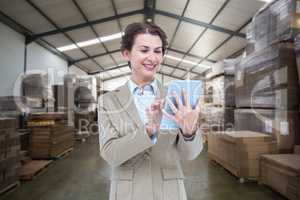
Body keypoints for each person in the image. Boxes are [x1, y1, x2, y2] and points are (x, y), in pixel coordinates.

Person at [98, 22, 203, 200]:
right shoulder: (108, 101)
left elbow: (190, 154)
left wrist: (189, 132)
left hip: (169, 192)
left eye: (158, 51)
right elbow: (111, 154)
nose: (152, 58)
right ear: (126, 53)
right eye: (144, 50)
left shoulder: (176, 97)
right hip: (127, 193)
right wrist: (148, 131)